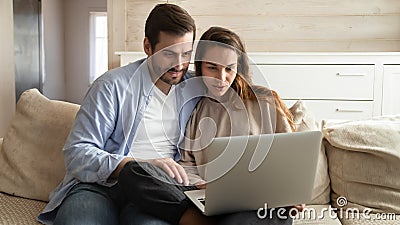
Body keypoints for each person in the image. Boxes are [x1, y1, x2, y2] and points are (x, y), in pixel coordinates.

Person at [118, 26, 303, 225]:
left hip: (259, 203)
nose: (221, 78)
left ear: (238, 68)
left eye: (229, 69)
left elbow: (291, 161)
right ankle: (195, 218)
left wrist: (292, 193)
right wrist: (202, 186)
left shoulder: (266, 102)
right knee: (133, 171)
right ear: (200, 67)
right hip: (208, 199)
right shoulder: (197, 109)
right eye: (212, 67)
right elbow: (187, 165)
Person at [38, 3, 200, 225]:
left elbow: (236, 86)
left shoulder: (194, 88)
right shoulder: (111, 85)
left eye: (186, 54)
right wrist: (131, 166)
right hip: (99, 187)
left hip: (157, 191)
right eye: (169, 54)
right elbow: (77, 152)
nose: (179, 64)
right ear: (147, 46)